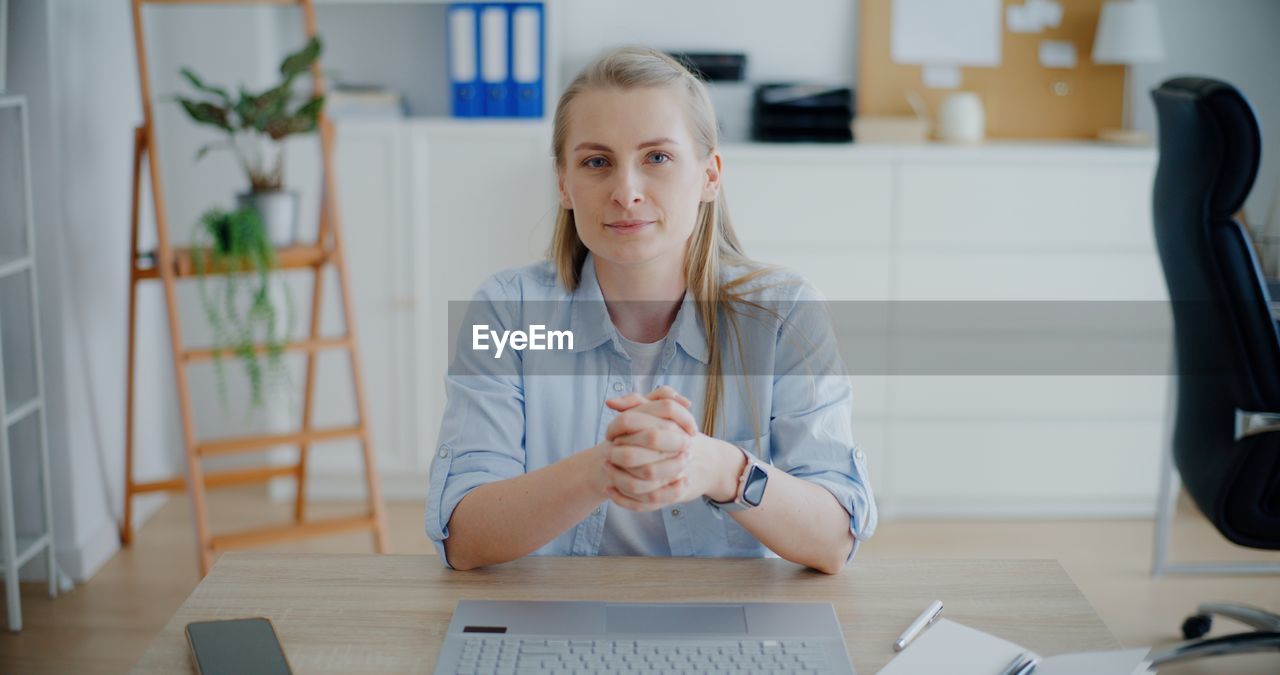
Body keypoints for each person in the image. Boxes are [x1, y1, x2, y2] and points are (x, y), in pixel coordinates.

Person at [425, 46, 875, 574]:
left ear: (710, 175)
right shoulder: (506, 314)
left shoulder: (784, 314)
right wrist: (602, 471)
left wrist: (719, 468)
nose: (626, 192)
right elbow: (463, 536)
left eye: (657, 158)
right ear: (564, 184)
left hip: (726, 630)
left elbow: (834, 540)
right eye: (597, 162)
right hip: (553, 619)